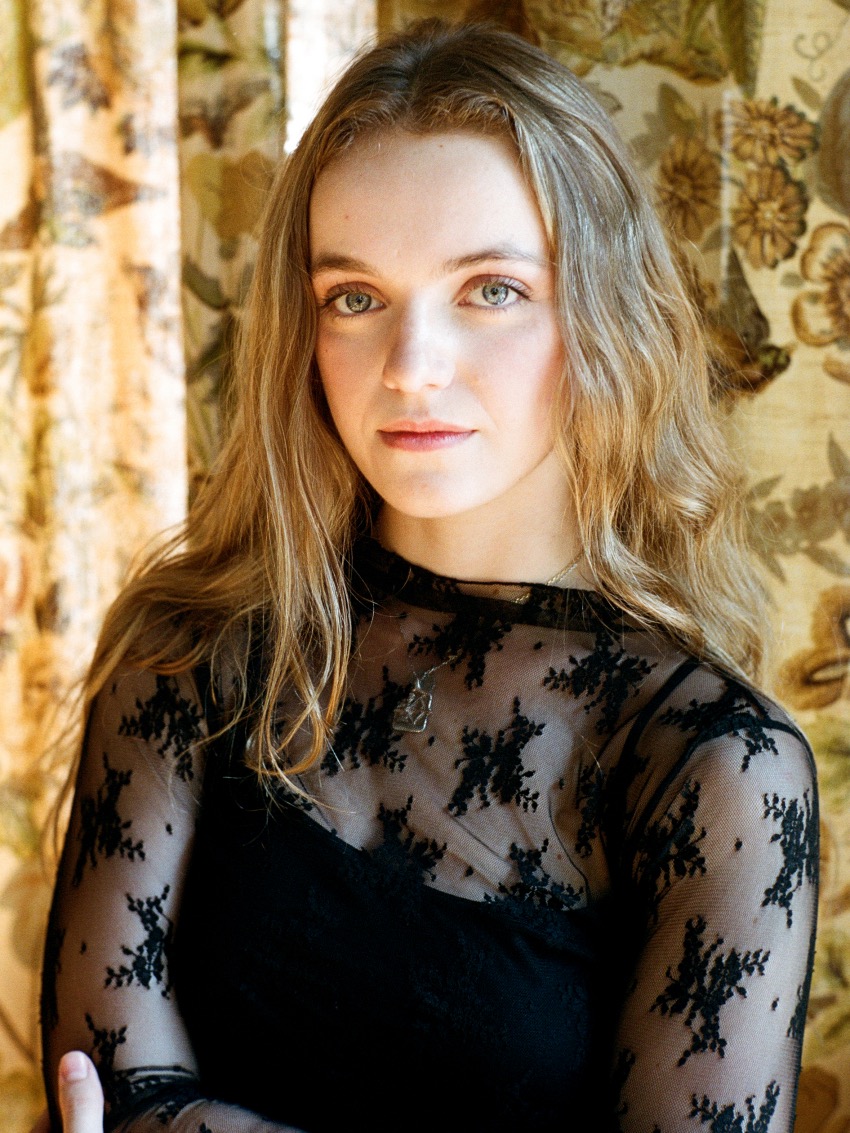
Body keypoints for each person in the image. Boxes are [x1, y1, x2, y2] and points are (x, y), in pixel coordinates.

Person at [39, 16, 819, 1133]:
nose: (410, 366)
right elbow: (110, 1092)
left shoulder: (710, 765)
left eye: (490, 289)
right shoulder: (191, 646)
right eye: (354, 297)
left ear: (605, 312)